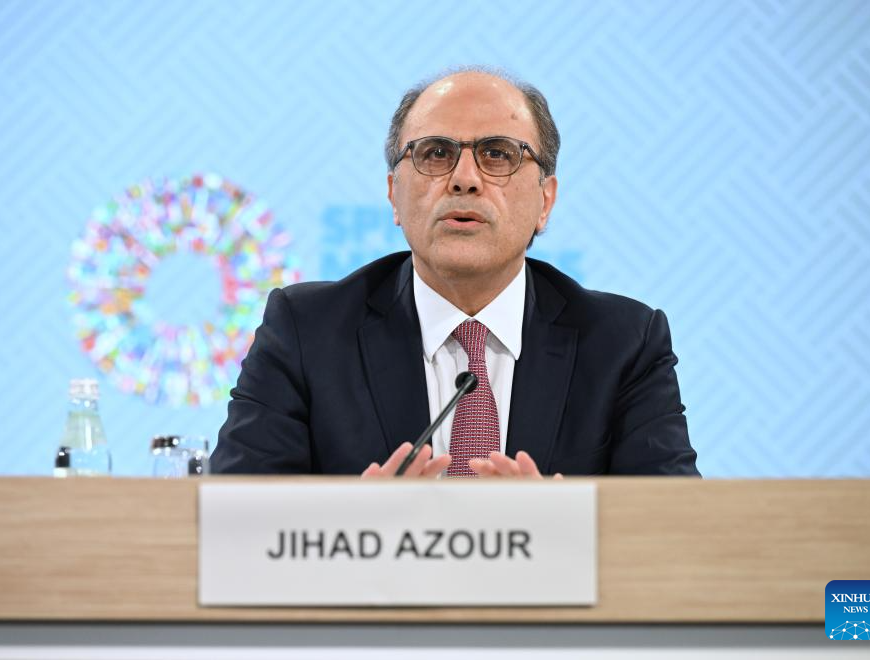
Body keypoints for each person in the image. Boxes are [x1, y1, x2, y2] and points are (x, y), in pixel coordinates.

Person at [210, 68, 699, 478]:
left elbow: (674, 529)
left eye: (499, 154)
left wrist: (556, 529)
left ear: (545, 201)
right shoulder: (306, 331)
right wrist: (354, 529)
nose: (465, 179)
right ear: (393, 194)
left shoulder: (624, 344)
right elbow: (233, 518)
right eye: (436, 153)